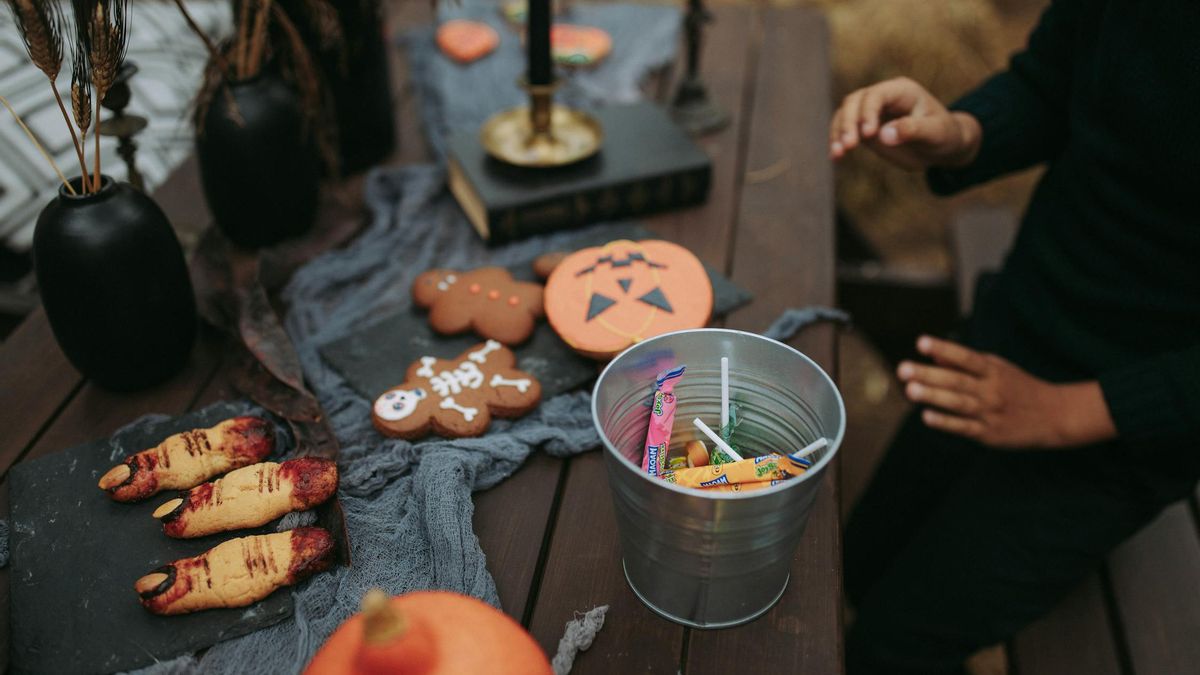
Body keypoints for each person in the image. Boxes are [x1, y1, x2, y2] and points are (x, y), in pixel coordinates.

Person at [829, 1, 1200, 673]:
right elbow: (1053, 80)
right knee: (857, 564)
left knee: (890, 647)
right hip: (1021, 323)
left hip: (1135, 428)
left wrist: (1067, 413)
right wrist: (964, 132)